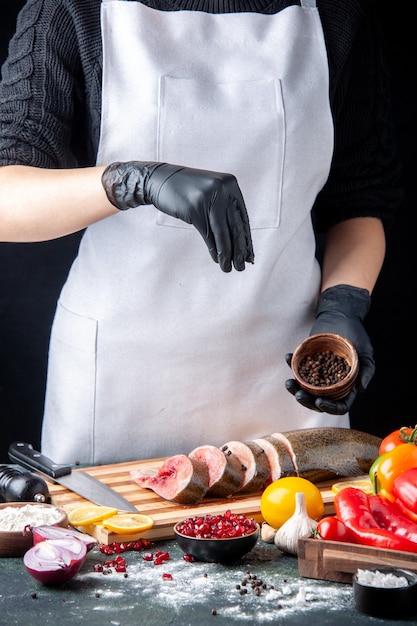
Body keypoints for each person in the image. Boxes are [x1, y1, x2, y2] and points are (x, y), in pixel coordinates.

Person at [0, 0, 402, 465]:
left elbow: (360, 200)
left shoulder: (338, 13)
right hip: (120, 379)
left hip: (286, 377)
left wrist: (344, 304)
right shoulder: (72, 10)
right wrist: (136, 179)